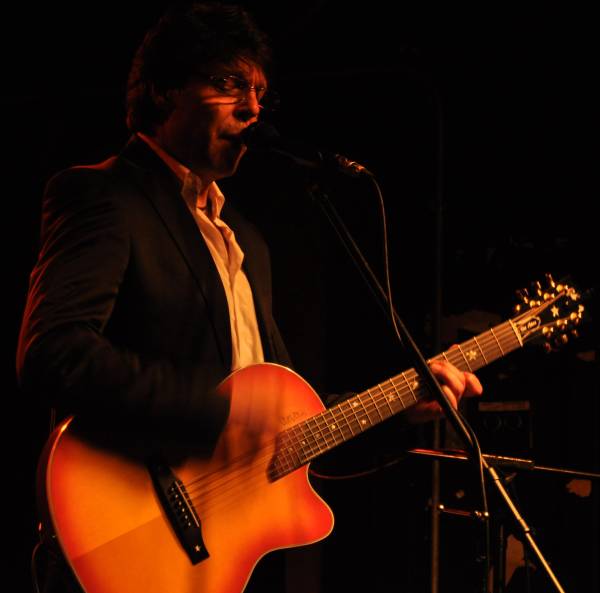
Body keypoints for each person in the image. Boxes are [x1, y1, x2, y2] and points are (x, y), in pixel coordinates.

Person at [16, 3, 482, 592]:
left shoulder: (248, 243)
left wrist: (406, 405)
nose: (253, 108)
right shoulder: (104, 194)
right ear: (164, 91)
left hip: (217, 559)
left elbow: (285, 422)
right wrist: (219, 416)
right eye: (228, 84)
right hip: (128, 535)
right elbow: (54, 352)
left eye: (260, 91)